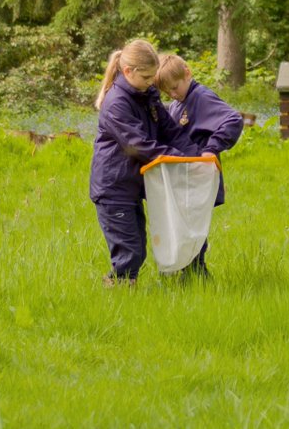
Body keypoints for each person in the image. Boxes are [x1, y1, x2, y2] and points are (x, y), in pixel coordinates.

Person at [91, 39, 197, 287]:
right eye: (147, 76)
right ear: (128, 71)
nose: (153, 82)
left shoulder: (146, 94)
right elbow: (138, 145)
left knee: (137, 245)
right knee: (130, 251)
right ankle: (120, 294)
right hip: (113, 187)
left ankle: (124, 289)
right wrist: (177, 157)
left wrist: (195, 155)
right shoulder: (116, 103)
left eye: (154, 76)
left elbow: (169, 129)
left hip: (133, 185)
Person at [155, 53, 244, 279]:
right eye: (168, 92)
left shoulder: (201, 97)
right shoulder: (178, 103)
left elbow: (233, 120)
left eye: (175, 88)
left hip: (199, 176)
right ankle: (188, 272)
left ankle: (196, 274)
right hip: (184, 176)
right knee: (183, 227)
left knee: (193, 229)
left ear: (187, 74)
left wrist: (211, 149)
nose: (173, 94)